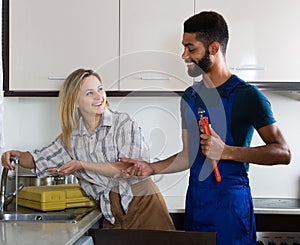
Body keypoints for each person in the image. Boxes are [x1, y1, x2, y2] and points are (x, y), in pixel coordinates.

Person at [121, 11, 291, 244]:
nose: (184, 55)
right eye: (184, 47)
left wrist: (228, 152)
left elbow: (283, 152)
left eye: (191, 49)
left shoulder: (248, 96)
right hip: (197, 206)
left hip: (231, 210)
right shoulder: (190, 97)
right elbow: (188, 156)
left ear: (213, 48)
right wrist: (151, 168)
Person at [1, 68, 175, 230]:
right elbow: (39, 160)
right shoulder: (71, 138)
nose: (99, 97)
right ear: (74, 101)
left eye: (100, 89)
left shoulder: (123, 123)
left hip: (143, 204)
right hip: (111, 212)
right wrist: (16, 155)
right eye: (90, 93)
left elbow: (127, 169)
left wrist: (82, 165)